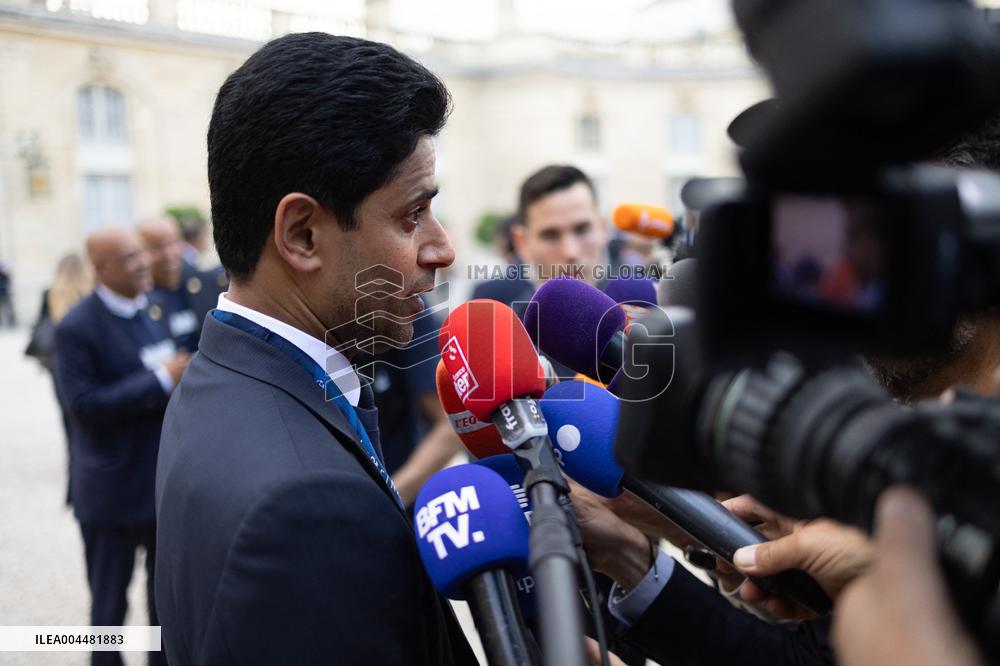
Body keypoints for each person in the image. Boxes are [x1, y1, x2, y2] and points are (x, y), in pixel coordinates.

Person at [154, 32, 476, 665]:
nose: (442, 249)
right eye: (413, 214)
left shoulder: (222, 375)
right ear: (301, 234)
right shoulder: (305, 511)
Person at [53, 228, 189, 666]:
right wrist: (160, 379)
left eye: (141, 255)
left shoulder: (153, 309)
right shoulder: (77, 327)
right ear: (100, 268)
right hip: (110, 497)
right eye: (130, 259)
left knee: (162, 608)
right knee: (109, 610)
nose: (144, 264)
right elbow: (85, 406)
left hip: (156, 488)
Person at [472, 164, 608, 317]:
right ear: (522, 243)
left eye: (582, 229)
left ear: (603, 229)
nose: (570, 251)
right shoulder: (494, 317)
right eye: (550, 236)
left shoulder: (635, 310)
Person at [25, 252, 93, 503]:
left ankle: (73, 485)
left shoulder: (51, 292)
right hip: (84, 362)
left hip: (58, 366)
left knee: (68, 421)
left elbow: (41, 327)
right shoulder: (90, 292)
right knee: (85, 423)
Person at [138, 216, 219, 351]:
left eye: (173, 243)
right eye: (158, 247)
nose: (169, 253)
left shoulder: (206, 284)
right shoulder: (138, 299)